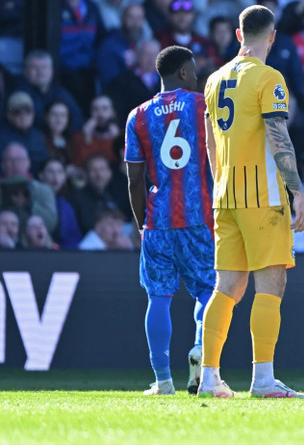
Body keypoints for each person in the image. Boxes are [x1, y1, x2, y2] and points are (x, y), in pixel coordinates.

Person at [199, 5, 304, 399]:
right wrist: (296, 191)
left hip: (225, 193)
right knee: (271, 284)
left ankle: (209, 377)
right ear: (273, 36)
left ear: (238, 34)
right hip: (262, 196)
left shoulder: (213, 79)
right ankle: (262, 379)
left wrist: (219, 186)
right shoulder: (269, 78)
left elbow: (210, 142)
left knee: (226, 287)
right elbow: (279, 136)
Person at [125, 45, 217, 396]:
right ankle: (200, 350)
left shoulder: (138, 115)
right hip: (199, 217)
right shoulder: (202, 105)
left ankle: (163, 380)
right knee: (209, 289)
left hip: (157, 220)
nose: (196, 77)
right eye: (193, 71)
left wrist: (141, 223)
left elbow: (134, 179)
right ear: (182, 73)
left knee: (158, 297)